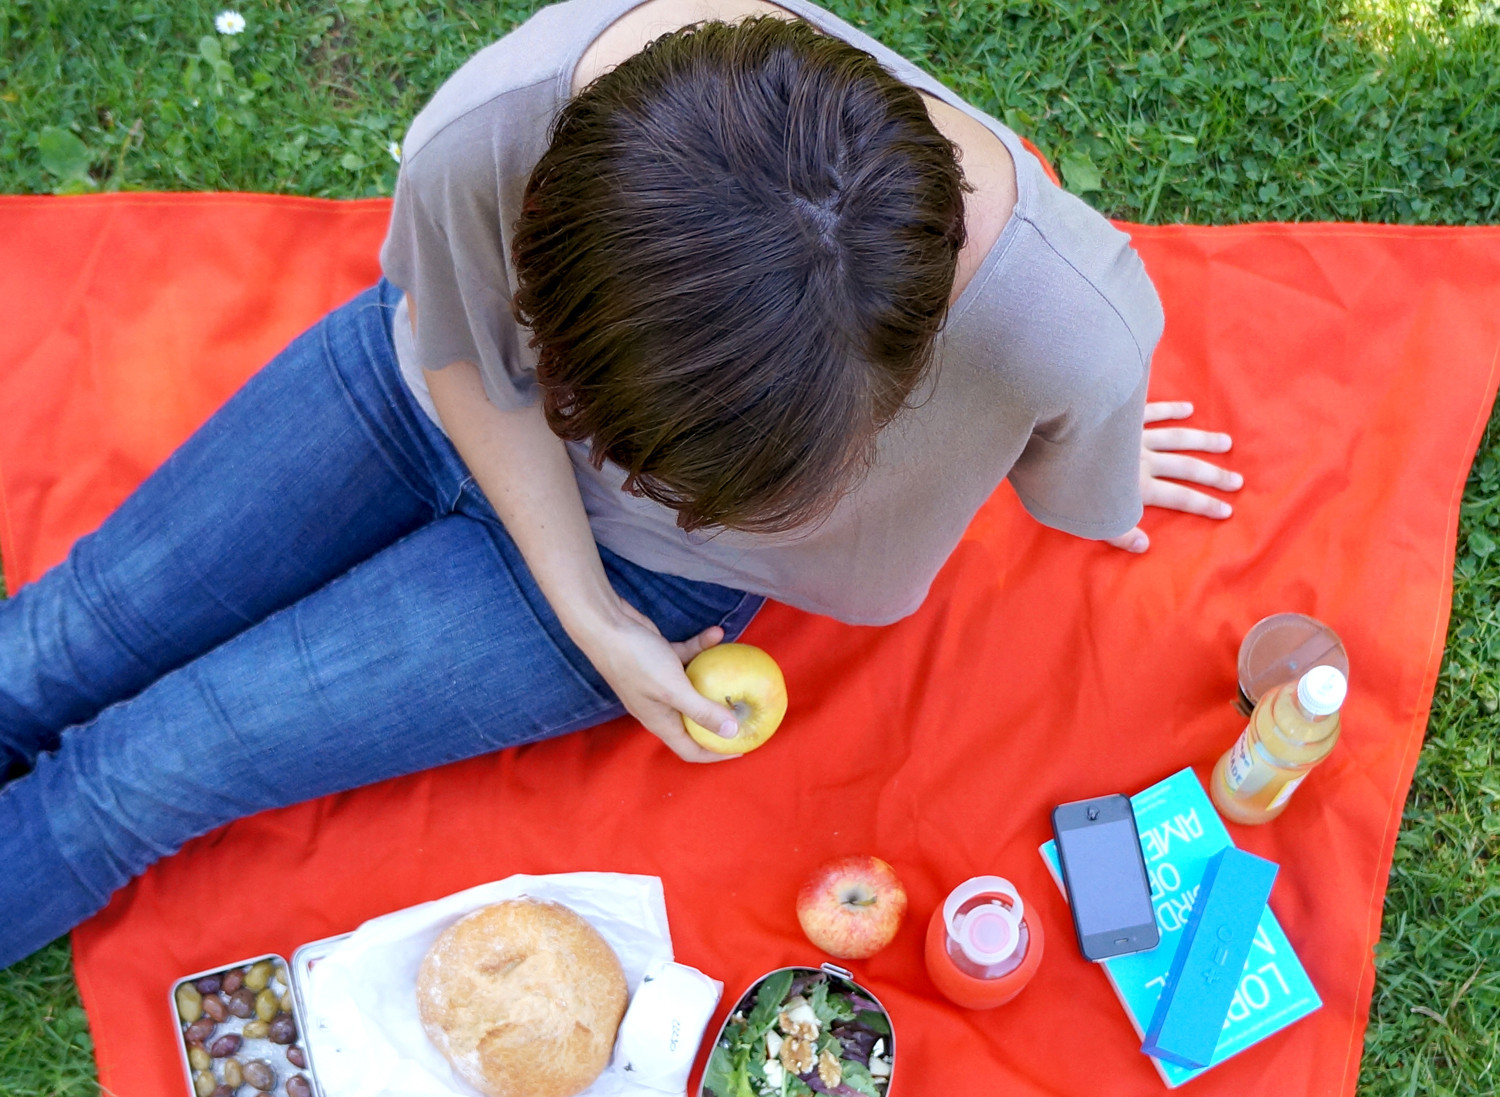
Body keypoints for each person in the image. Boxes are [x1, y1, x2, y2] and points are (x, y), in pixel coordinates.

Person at [0, 0, 1241, 970]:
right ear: (549, 216)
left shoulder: (1065, 327)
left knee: (143, 774)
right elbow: (461, 355)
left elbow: (1084, 481)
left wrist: (1101, 454)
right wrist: (585, 613)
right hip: (430, 389)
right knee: (61, 640)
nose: (601, 456)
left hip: (666, 580)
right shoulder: (488, 131)